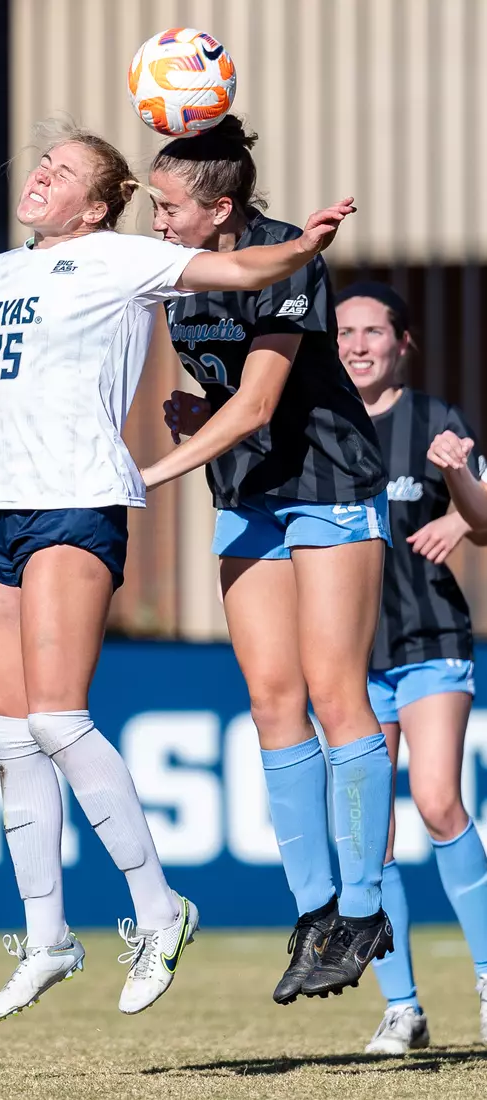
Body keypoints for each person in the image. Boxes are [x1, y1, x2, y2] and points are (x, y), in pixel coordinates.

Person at [0, 124, 353, 1021]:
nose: (40, 176)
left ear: (96, 205)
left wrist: (303, 244)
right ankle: (50, 939)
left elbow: (244, 274)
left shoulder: (122, 258)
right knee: (10, 736)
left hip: (75, 499)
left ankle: (159, 910)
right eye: (40, 165)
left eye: (61, 172)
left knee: (58, 720)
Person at [146, 115, 394, 1003]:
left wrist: (148, 472)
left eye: (168, 206)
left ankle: (363, 912)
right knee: (270, 701)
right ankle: (315, 911)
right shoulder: (177, 277)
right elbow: (222, 396)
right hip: (246, 495)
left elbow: (255, 404)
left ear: (220, 210)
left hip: (327, 484)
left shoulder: (287, 253)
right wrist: (190, 412)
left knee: (335, 693)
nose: (157, 219)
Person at [335, 281, 487, 1053]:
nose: (357, 345)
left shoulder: (434, 422)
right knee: (368, 841)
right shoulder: (317, 424)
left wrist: (459, 498)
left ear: (402, 343)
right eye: (345, 333)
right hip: (350, 659)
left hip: (429, 642)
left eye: (372, 332)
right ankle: (401, 1007)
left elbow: (486, 521)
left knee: (434, 801)